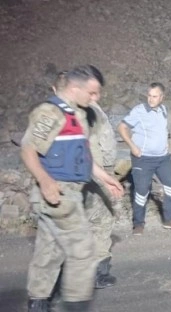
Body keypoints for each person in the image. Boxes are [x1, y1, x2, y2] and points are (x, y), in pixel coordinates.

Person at [22, 65, 124, 312]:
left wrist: (104, 177)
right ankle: (76, 307)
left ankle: (38, 302)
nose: (96, 98)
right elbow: (28, 149)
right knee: (83, 251)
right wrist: (45, 181)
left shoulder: (77, 115)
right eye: (92, 92)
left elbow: (82, 157)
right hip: (59, 192)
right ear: (75, 88)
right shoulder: (51, 112)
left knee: (50, 250)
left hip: (67, 192)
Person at [50, 67, 120, 290]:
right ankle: (89, 272)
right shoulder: (75, 112)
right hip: (83, 175)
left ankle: (83, 272)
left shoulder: (79, 110)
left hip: (86, 174)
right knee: (92, 220)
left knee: (90, 220)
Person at [117, 82, 171, 235]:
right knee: (142, 191)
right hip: (144, 159)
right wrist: (132, 146)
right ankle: (138, 224)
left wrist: (165, 143)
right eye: (149, 95)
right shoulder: (139, 111)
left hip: (163, 158)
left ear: (162, 97)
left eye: (155, 96)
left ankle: (169, 219)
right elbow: (121, 127)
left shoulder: (163, 110)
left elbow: (162, 129)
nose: (151, 99)